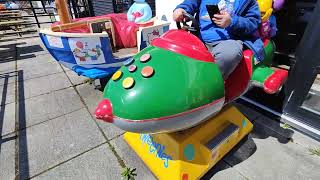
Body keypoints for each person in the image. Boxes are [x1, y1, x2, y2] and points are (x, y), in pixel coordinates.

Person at [173, 0, 264, 79]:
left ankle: (206, 85)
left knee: (229, 53)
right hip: (198, 39)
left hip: (227, 41)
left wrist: (232, 21)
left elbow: (253, 23)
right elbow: (191, 2)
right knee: (172, 43)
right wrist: (181, 9)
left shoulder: (249, 2)